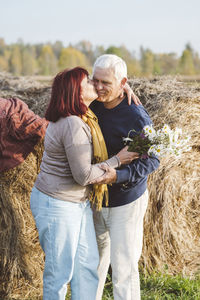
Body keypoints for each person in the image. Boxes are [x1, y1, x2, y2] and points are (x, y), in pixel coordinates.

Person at [30, 67, 139, 300]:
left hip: (77, 203)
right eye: (89, 81)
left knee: (87, 266)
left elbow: (107, 86)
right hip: (57, 204)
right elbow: (84, 176)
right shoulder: (73, 124)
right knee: (59, 273)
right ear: (76, 93)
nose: (95, 85)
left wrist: (122, 86)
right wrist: (118, 159)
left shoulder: (83, 115)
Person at [89, 54, 160, 300]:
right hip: (95, 200)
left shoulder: (136, 116)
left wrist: (118, 176)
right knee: (93, 266)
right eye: (95, 80)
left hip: (126, 201)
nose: (98, 87)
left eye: (106, 82)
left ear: (123, 83)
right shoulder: (92, 103)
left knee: (123, 270)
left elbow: (153, 159)